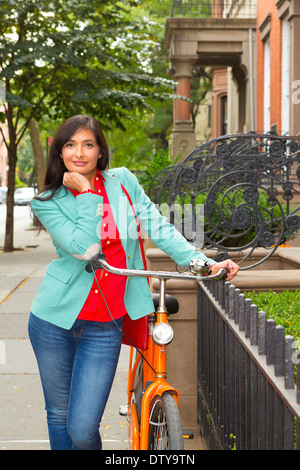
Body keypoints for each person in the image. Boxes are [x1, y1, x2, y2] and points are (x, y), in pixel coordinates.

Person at [28, 114, 239, 450]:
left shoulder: (123, 182)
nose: (79, 153)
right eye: (70, 145)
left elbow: (159, 227)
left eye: (88, 144)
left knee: (82, 428)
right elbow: (84, 249)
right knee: (58, 415)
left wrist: (202, 264)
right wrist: (85, 195)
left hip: (104, 325)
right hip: (54, 321)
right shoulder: (47, 202)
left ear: (100, 151)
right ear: (60, 153)